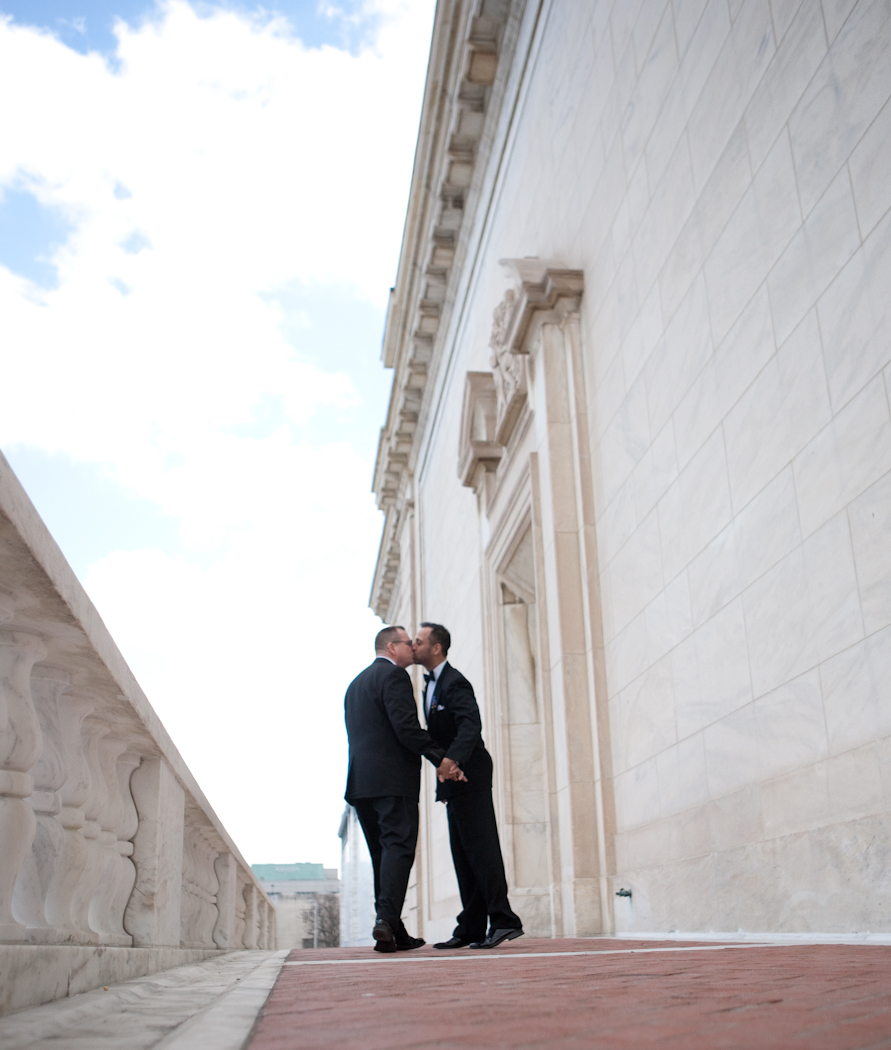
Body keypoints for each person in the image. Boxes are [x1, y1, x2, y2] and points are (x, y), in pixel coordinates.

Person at [344, 624, 464, 953]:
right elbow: (407, 729)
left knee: (383, 855)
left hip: (361, 785)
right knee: (399, 849)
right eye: (408, 643)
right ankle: (384, 921)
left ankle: (394, 934)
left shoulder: (355, 684)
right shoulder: (395, 677)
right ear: (392, 648)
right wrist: (440, 758)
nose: (413, 648)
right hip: (392, 782)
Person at [413, 622, 524, 950]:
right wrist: (445, 766)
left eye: (419, 642)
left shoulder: (455, 681)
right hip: (453, 778)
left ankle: (504, 920)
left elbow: (470, 725)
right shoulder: (429, 686)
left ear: (436, 648)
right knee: (462, 853)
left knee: (482, 848)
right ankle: (471, 927)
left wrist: (452, 761)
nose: (414, 646)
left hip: (470, 773)